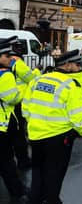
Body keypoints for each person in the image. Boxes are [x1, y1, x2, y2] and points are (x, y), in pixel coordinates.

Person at [22, 49, 82, 204]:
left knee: (38, 173)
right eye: (77, 65)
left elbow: (26, 108)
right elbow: (78, 117)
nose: (79, 68)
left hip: (36, 135)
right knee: (54, 175)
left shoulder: (38, 80)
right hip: (59, 138)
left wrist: (35, 125)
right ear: (68, 65)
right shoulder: (71, 85)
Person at [0, 40, 29, 200]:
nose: (10, 58)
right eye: (7, 55)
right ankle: (17, 191)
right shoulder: (5, 75)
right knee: (6, 160)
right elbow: (13, 98)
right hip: (3, 124)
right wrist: (22, 90)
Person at [6, 36, 39, 169]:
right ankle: (23, 160)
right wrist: (37, 69)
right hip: (18, 101)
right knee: (19, 135)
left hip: (6, 102)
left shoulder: (6, 62)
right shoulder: (17, 62)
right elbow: (32, 78)